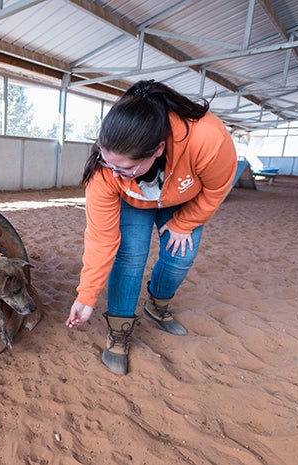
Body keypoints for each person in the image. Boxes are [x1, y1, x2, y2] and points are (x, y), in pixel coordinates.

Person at [65, 79, 237, 375]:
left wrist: (186, 222)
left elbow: (218, 185)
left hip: (185, 198)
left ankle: (157, 306)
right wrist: (86, 295)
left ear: (157, 149)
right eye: (109, 164)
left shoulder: (207, 137)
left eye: (126, 168)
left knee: (181, 256)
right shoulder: (105, 174)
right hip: (133, 204)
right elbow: (101, 238)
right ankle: (119, 330)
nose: (116, 174)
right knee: (129, 257)